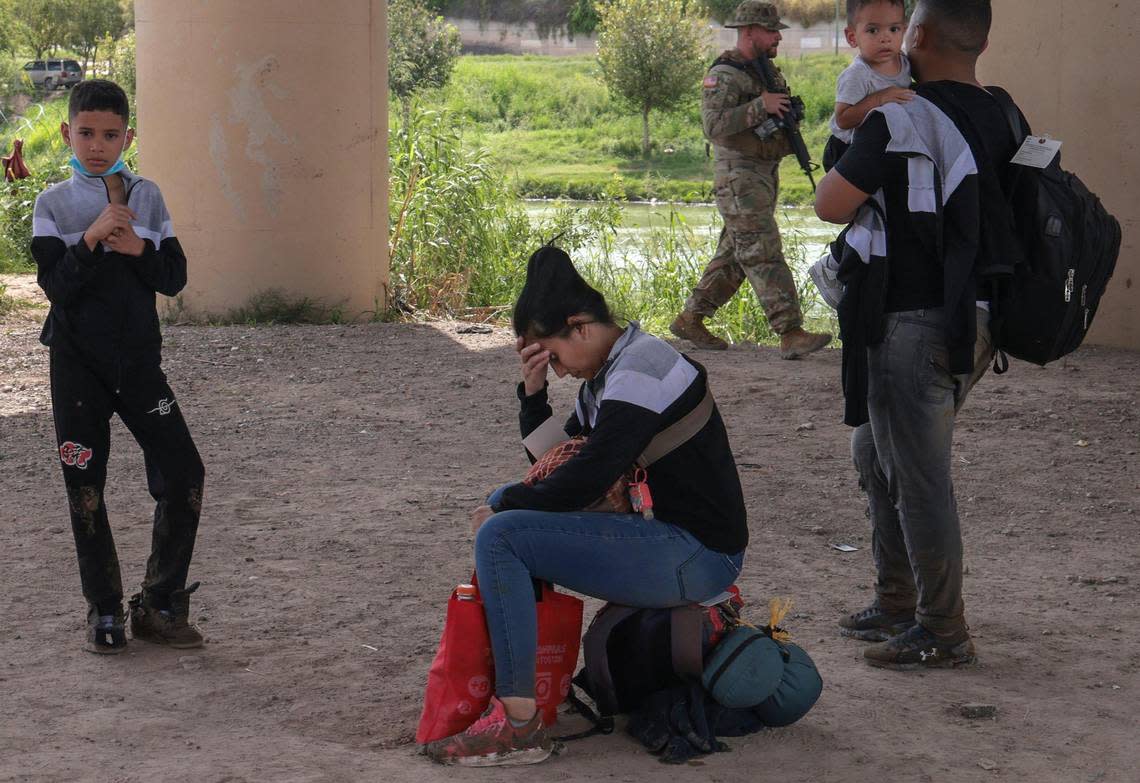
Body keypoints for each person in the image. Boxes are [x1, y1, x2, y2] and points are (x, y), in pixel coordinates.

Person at [425, 247, 748, 766]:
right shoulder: (610, 372)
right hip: (664, 540)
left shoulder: (641, 368)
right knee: (505, 517)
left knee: (502, 532)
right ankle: (535, 693)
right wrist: (532, 394)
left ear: (579, 327)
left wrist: (508, 503)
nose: (556, 368)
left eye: (551, 355)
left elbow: (587, 478)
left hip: (697, 555)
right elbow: (557, 461)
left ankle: (521, 723)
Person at [814, 0, 1023, 669]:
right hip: (984, 320)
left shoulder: (900, 115)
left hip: (914, 318)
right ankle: (896, 599)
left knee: (917, 473)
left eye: (897, 28)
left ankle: (942, 628)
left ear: (919, 37)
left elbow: (829, 203)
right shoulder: (1006, 113)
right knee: (876, 452)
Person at [32, 80, 206, 654]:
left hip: (138, 367)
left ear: (128, 136)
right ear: (67, 133)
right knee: (85, 486)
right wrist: (89, 239)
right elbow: (56, 286)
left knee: (183, 470)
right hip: (75, 369)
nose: (97, 145)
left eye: (111, 135)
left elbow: (174, 278)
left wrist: (138, 248)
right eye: (86, 133)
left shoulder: (148, 197)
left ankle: (160, 604)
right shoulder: (52, 205)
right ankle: (104, 611)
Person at [669, 0, 831, 358]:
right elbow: (713, 126)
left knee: (735, 256)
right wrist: (762, 106)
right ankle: (790, 331)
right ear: (749, 32)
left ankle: (691, 318)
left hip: (762, 173)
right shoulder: (725, 74)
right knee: (762, 249)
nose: (777, 37)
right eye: (771, 31)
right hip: (738, 175)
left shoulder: (764, 72)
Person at [822, 0, 915, 172]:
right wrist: (879, 98)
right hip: (846, 149)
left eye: (894, 29)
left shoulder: (905, 62)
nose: (885, 38)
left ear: (904, 30)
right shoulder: (858, 74)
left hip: (880, 145)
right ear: (852, 37)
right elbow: (843, 119)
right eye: (873, 30)